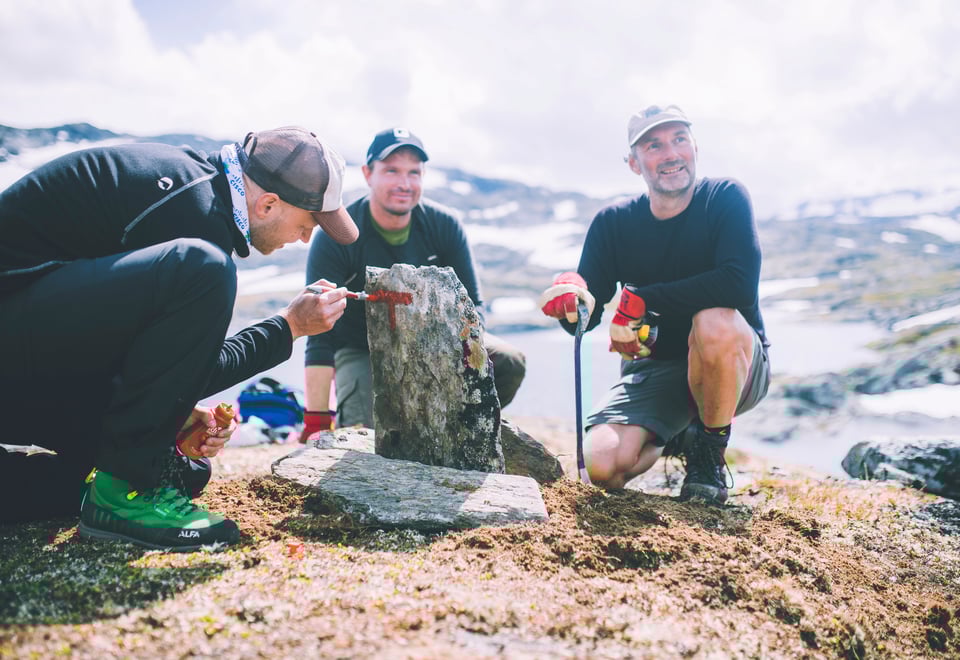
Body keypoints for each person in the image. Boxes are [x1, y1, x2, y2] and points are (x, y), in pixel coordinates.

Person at [0, 126, 359, 549]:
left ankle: (82, 491)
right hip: (18, 349)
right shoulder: (193, 216)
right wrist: (290, 326)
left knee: (181, 471)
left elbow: (143, 355)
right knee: (205, 269)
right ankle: (123, 497)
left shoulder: (201, 196)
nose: (305, 238)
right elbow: (197, 368)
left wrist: (170, 411)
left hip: (30, 353)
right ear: (267, 205)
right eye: (307, 223)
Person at [539, 105, 770, 504]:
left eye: (679, 139)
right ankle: (676, 433)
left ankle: (708, 455)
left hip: (737, 363)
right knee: (599, 466)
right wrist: (571, 301)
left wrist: (644, 298)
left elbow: (738, 286)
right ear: (634, 163)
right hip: (655, 370)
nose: (671, 153)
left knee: (713, 320)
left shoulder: (725, 197)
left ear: (695, 147)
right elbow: (587, 314)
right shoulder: (614, 223)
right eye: (654, 145)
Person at [302, 127, 526, 435]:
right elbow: (319, 333)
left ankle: (460, 432)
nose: (404, 183)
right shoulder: (337, 235)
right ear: (368, 174)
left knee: (509, 362)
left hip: (438, 342)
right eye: (391, 170)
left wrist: (454, 355)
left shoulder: (444, 225)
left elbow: (473, 307)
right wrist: (315, 421)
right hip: (360, 348)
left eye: (414, 172)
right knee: (364, 435)